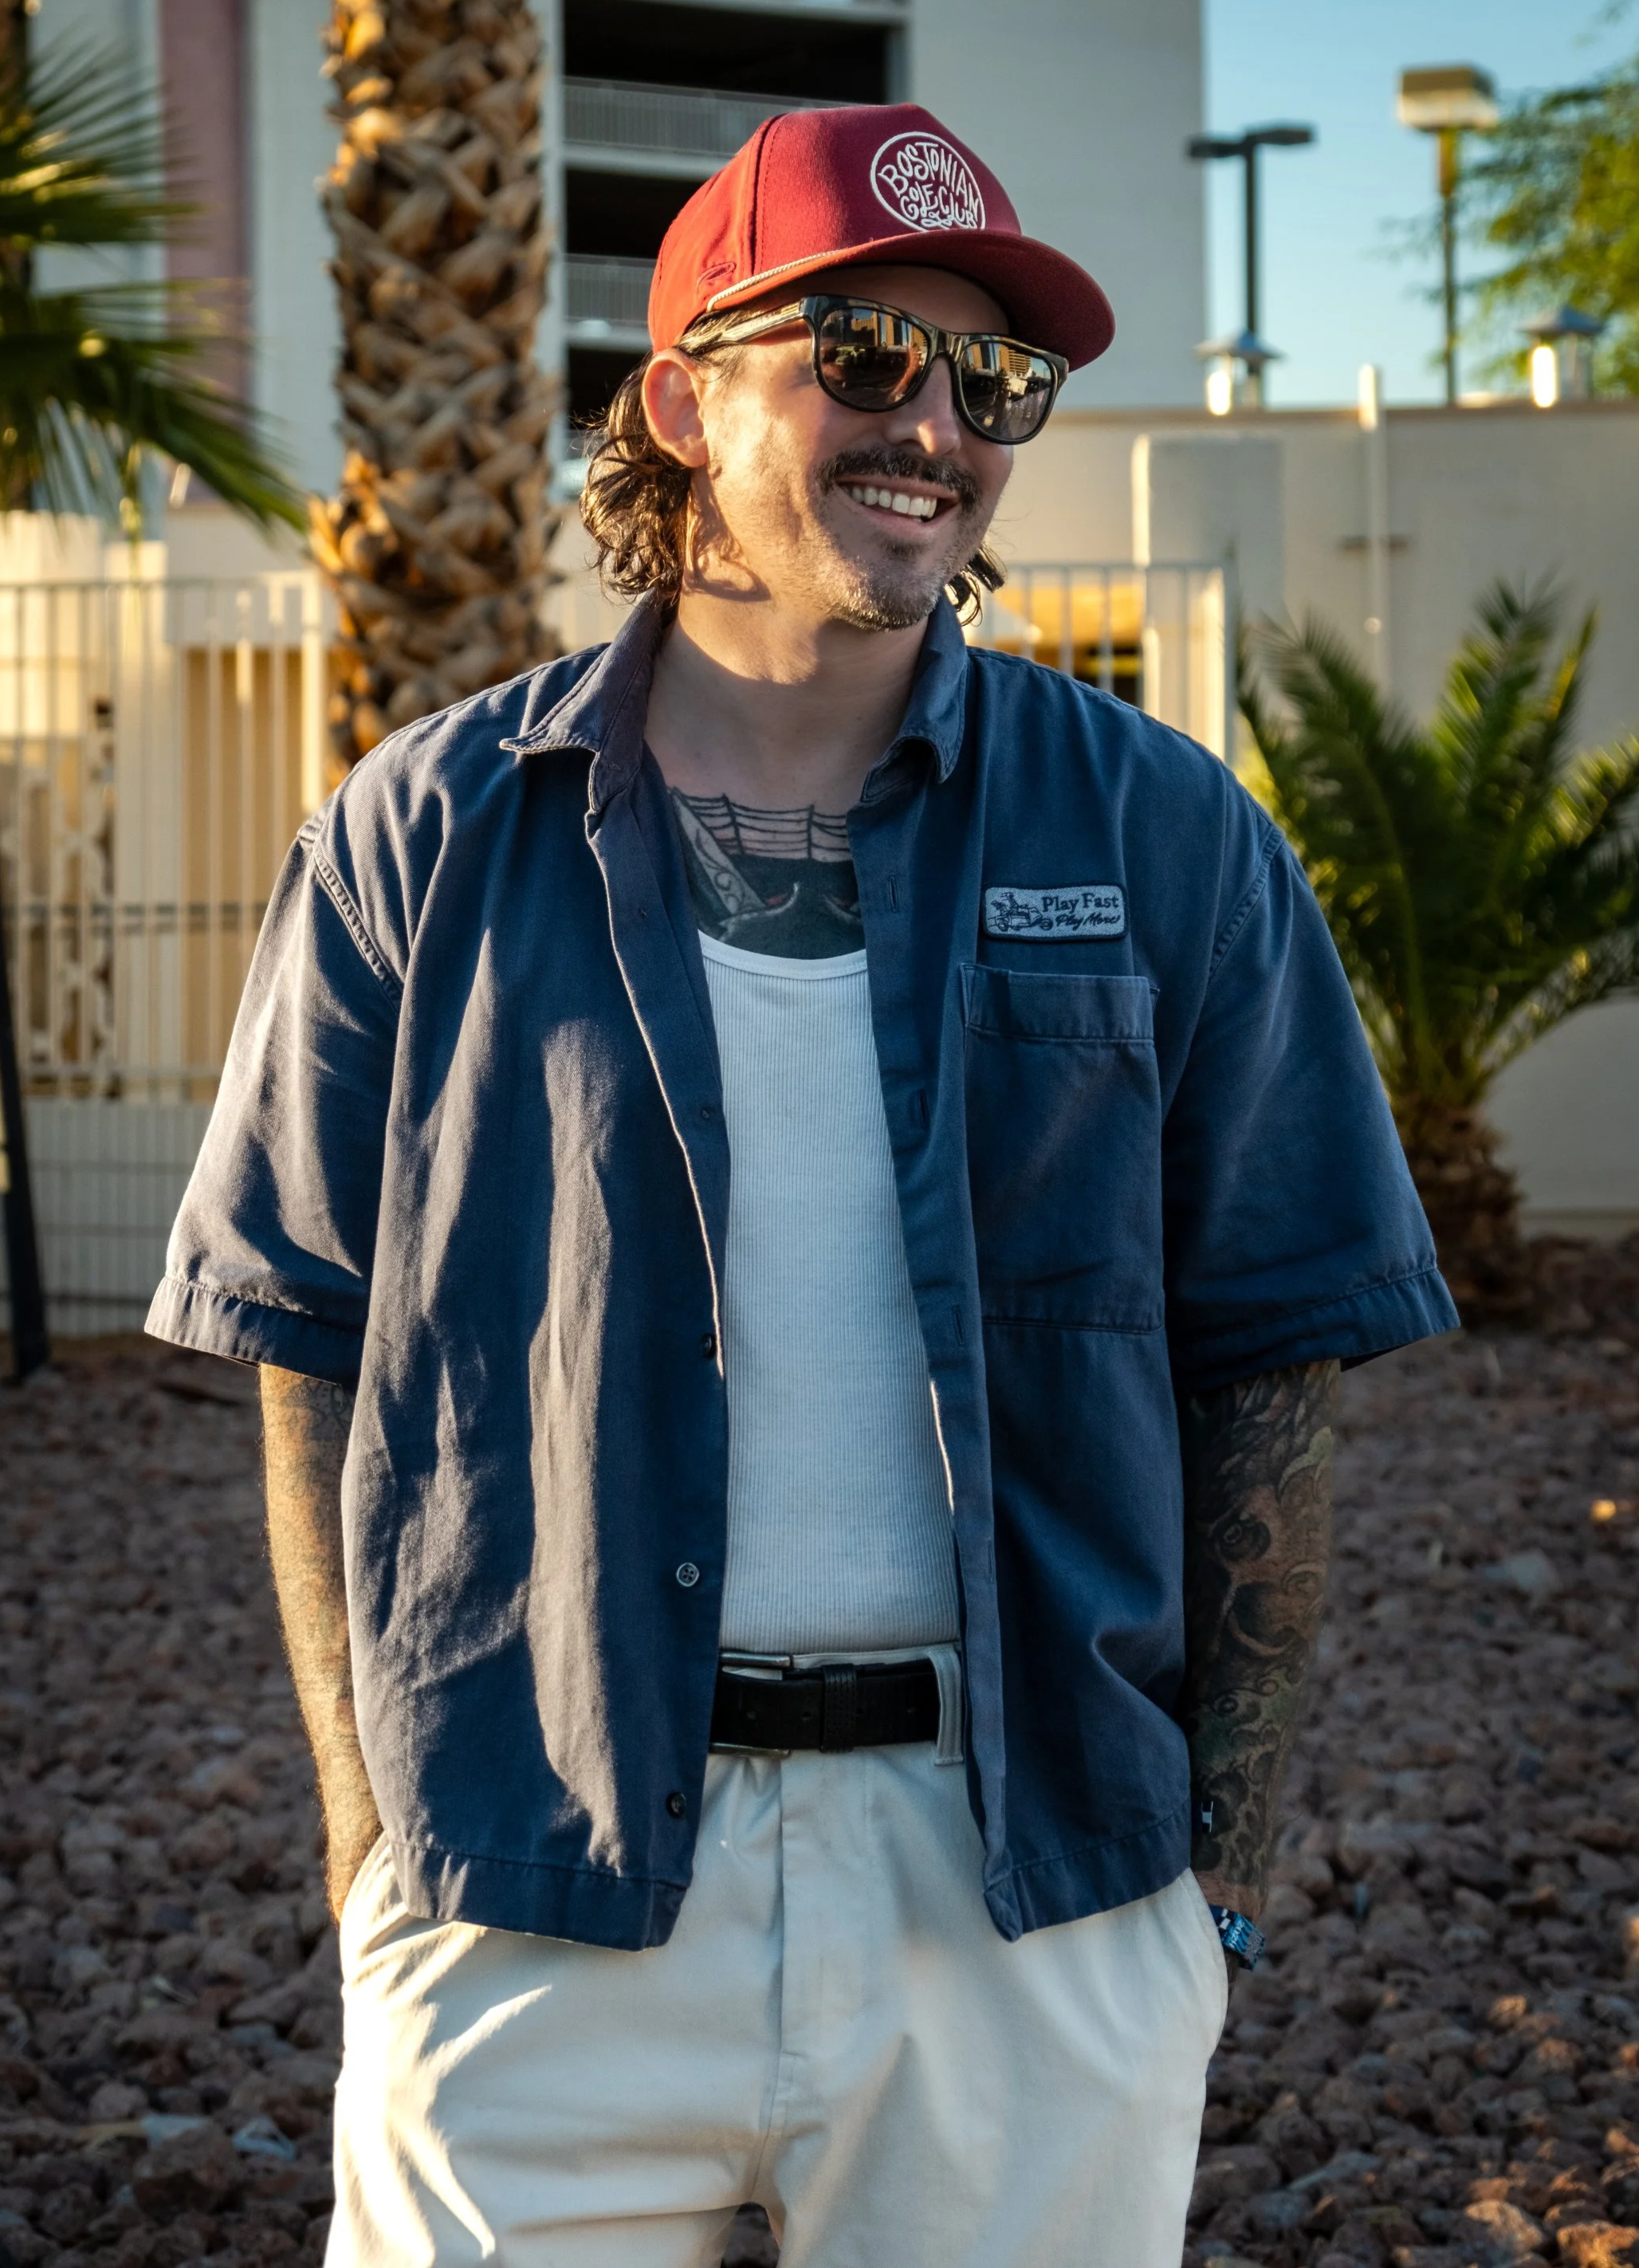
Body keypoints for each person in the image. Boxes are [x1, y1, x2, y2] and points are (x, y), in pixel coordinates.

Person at [148, 101, 1457, 2268]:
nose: (936, 425)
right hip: (532, 1882)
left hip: (1026, 1903)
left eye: (995, 379)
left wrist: (1204, 1891)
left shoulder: (1165, 838)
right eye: (864, 354)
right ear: (683, 401)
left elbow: (1273, 1370)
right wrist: (367, 1848)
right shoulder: (425, 837)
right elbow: (306, 1338)